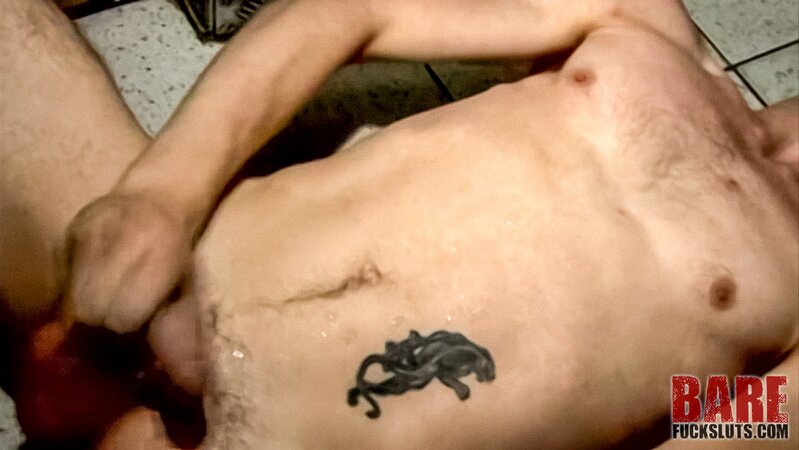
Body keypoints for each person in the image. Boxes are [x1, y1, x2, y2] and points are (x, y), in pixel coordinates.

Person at [1, 0, 797, 448]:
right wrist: (163, 194)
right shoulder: (645, 29)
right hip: (144, 267)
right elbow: (354, 12)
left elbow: (706, 441)